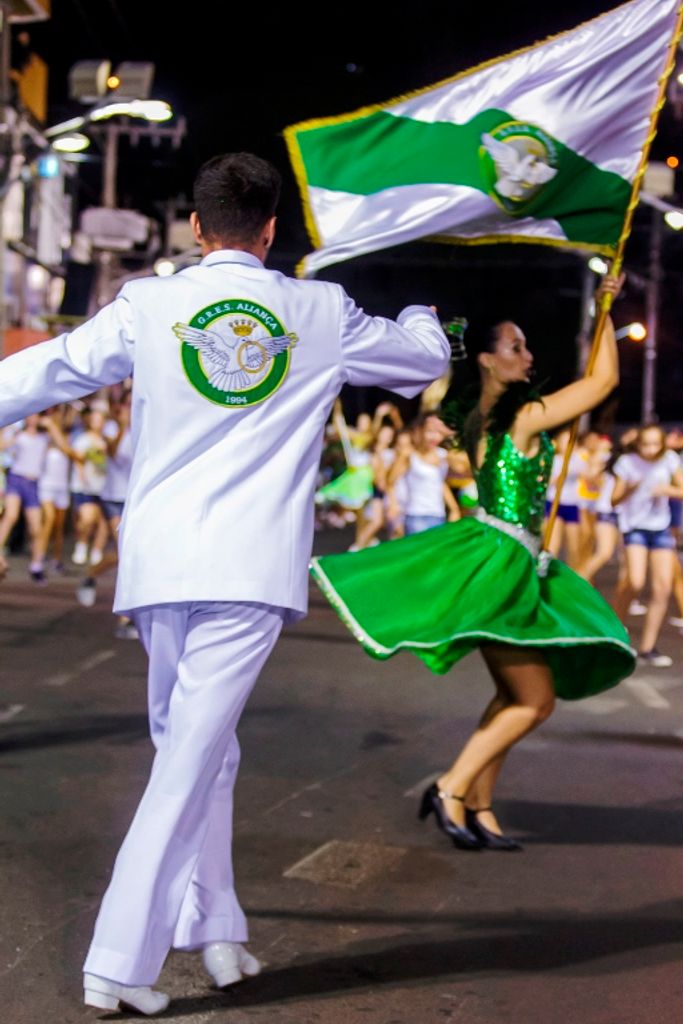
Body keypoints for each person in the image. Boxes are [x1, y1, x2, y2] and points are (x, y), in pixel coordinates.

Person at [0, 151, 450, 1016]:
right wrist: (424, 314)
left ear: (197, 227)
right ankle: (118, 961)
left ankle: (215, 927)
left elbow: (47, 369)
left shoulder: (150, 303)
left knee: (202, 748)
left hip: (159, 562)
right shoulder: (319, 310)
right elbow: (420, 361)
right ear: (271, 230)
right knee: (190, 756)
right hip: (246, 567)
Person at [311, 274, 635, 853]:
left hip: (508, 560)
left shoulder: (481, 418)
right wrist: (606, 306)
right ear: (487, 360)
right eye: (516, 346)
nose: (528, 356)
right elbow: (604, 381)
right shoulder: (523, 417)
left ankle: (479, 805)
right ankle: (450, 786)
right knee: (535, 701)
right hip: (502, 566)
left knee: (514, 695)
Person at [611, 423, 683, 667]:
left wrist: (668, 490)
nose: (651, 449)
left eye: (655, 444)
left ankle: (647, 647)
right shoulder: (627, 463)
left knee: (662, 587)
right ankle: (613, 630)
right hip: (635, 527)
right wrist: (629, 489)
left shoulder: (669, 459)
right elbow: (613, 500)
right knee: (635, 581)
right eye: (646, 444)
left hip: (660, 527)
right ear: (638, 444)